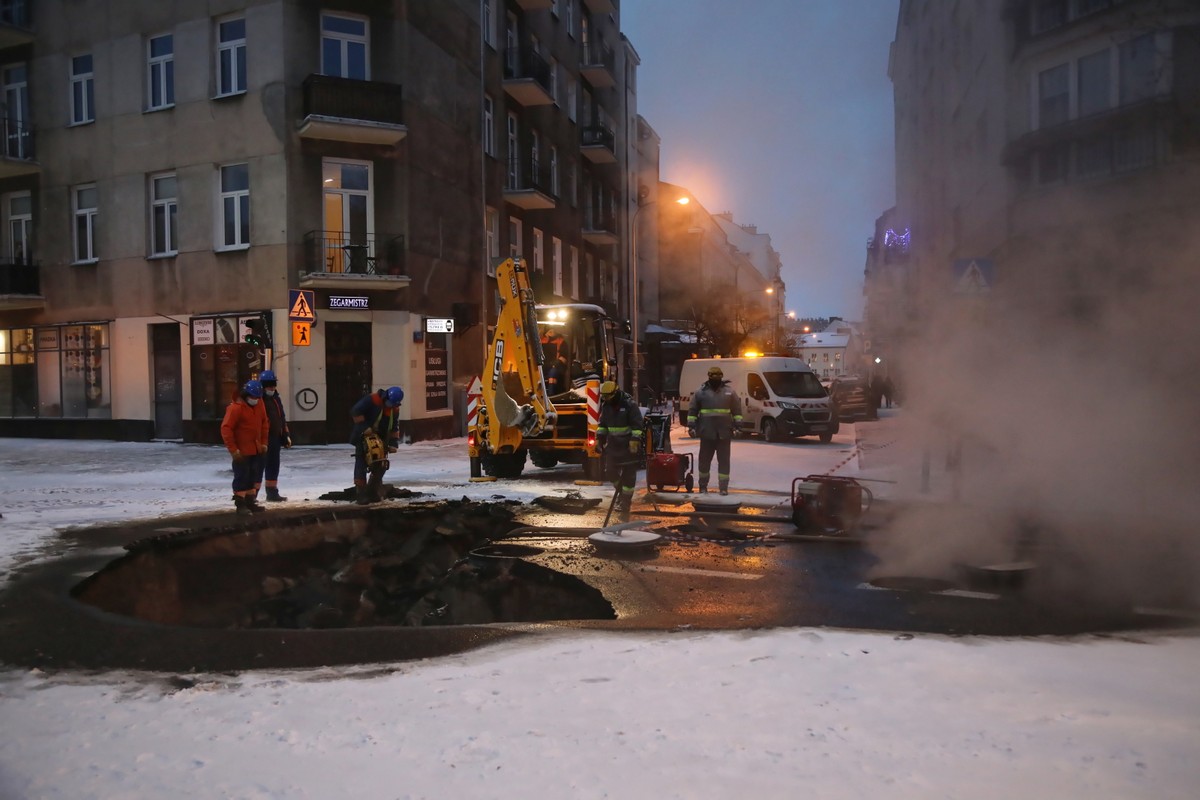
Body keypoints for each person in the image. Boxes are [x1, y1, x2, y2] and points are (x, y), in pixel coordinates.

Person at [686, 365, 743, 495]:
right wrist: (691, 426)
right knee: (704, 462)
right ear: (709, 377)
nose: (716, 378)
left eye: (718, 376)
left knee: (724, 462)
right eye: (714, 376)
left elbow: (737, 411)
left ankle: (723, 488)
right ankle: (703, 487)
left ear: (721, 377)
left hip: (724, 433)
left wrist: (738, 427)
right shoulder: (701, 392)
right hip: (707, 433)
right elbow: (693, 410)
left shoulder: (730, 392)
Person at [221, 379, 269, 515]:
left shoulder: (260, 405)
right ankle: (240, 503)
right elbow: (226, 429)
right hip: (242, 451)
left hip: (256, 448)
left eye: (257, 397)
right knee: (242, 476)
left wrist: (264, 443)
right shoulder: (235, 408)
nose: (255, 399)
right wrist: (233, 450)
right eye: (252, 397)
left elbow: (265, 424)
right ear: (245, 395)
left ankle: (250, 501)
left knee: (253, 476)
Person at [350, 386, 403, 505]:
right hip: (363, 436)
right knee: (361, 462)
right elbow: (355, 411)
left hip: (381, 438)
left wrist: (393, 443)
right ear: (386, 397)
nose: (391, 405)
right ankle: (361, 493)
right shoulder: (372, 399)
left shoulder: (394, 408)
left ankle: (372, 491)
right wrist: (365, 428)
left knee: (381, 464)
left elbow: (394, 426)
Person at [596, 380, 644, 513]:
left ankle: (625, 502)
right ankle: (621, 493)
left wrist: (635, 440)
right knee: (610, 472)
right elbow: (603, 425)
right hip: (613, 445)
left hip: (628, 446)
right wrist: (599, 440)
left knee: (629, 476)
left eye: (607, 397)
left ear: (615, 393)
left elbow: (637, 426)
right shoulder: (606, 406)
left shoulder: (629, 405)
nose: (605, 400)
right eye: (604, 397)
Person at [258, 369, 292, 502]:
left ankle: (272, 492)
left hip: (275, 437)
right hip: (264, 438)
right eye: (269, 385)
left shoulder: (275, 398)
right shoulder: (260, 399)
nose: (272, 388)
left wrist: (285, 434)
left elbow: (281, 417)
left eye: (273, 385)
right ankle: (252, 495)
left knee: (273, 465)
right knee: (260, 466)